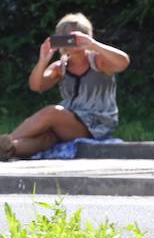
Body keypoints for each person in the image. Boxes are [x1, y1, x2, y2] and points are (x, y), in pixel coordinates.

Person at [0, 13, 130, 161]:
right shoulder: (60, 66)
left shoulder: (98, 61)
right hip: (68, 123)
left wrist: (93, 44)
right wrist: (43, 60)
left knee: (52, 112)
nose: (70, 42)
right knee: (45, 140)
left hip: (96, 124)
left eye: (74, 37)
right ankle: (9, 150)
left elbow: (123, 62)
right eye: (65, 38)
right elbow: (36, 86)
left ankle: (6, 140)